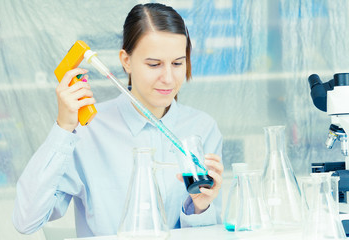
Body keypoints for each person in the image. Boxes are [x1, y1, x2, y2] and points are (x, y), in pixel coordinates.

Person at [12, 3, 223, 238]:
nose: (168, 78)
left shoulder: (202, 129)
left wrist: (201, 207)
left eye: (177, 63)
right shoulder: (87, 130)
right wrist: (63, 127)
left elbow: (211, 234)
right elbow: (26, 221)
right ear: (126, 60)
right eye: (154, 64)